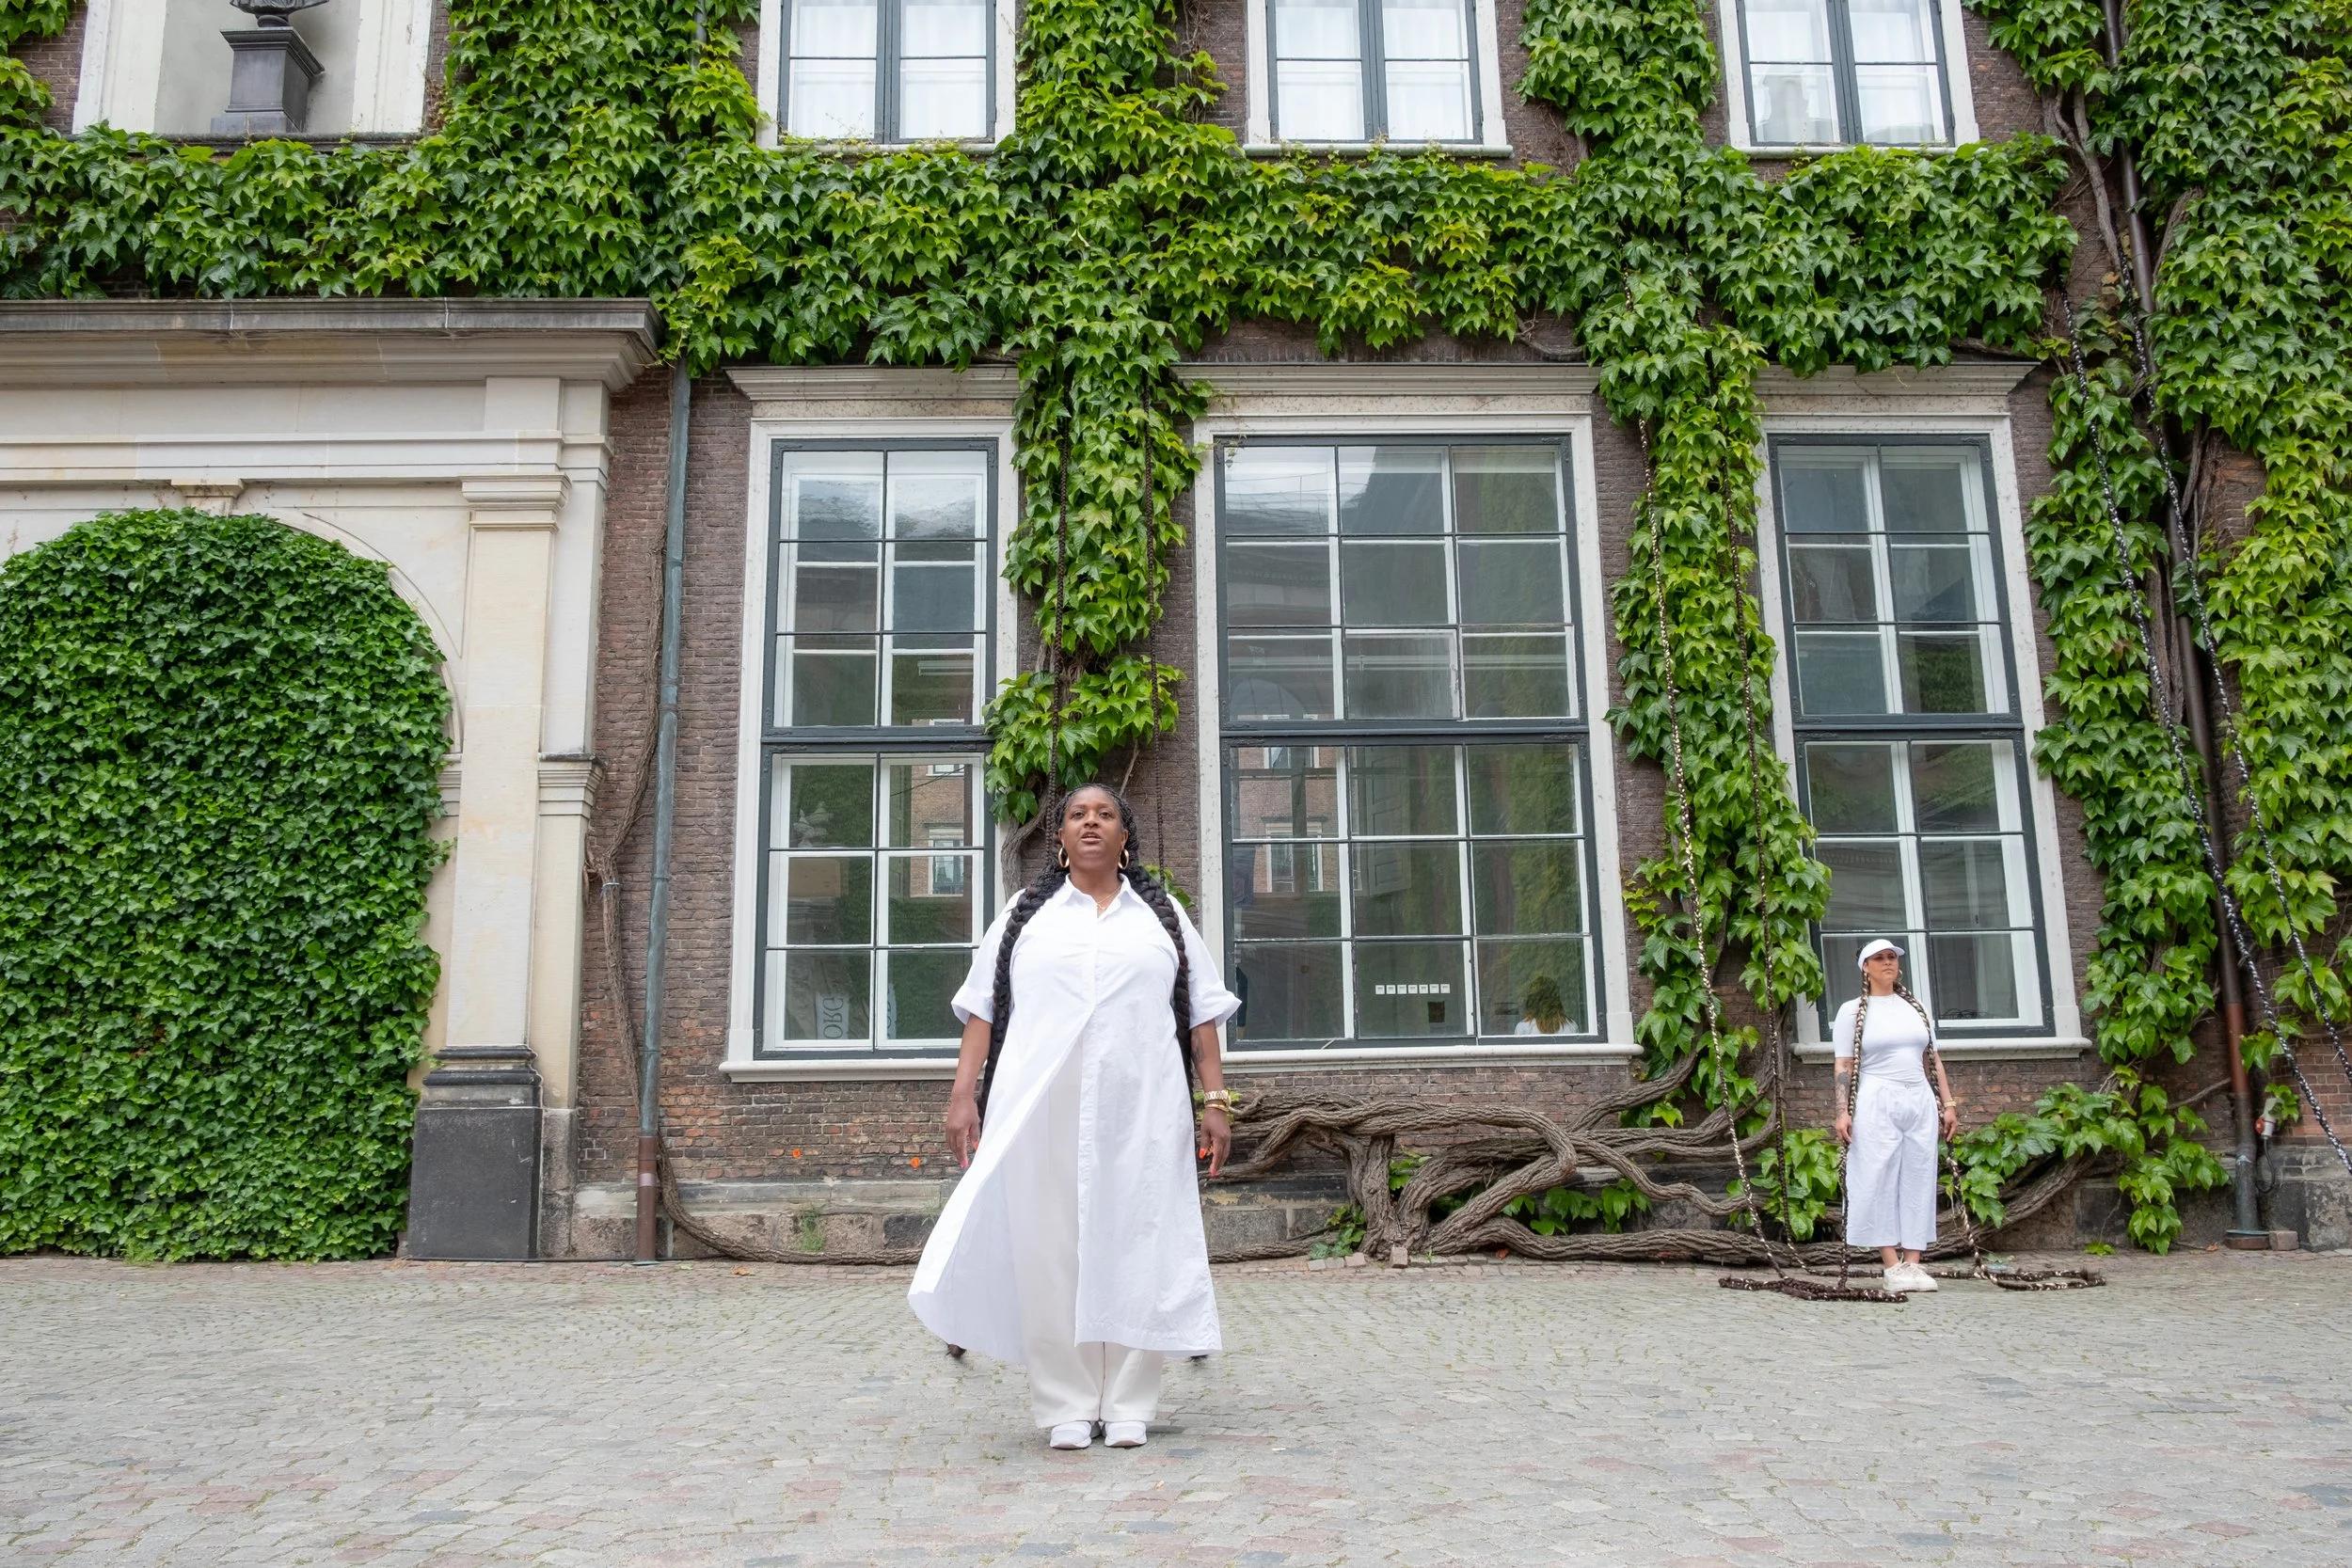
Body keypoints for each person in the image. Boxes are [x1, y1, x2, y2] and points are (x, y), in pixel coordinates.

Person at [909, 783, 1241, 1451]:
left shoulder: (1162, 917)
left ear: (1125, 835)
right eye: (1077, 814)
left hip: (1142, 1109)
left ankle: (1128, 1403)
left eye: (1105, 814)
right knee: (1048, 1248)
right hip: (1039, 1109)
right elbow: (982, 1010)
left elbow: (1201, 1015)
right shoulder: (1024, 917)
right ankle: (1064, 1401)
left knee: (1138, 1241)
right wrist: (962, 1094)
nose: (1091, 822)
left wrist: (1216, 1102)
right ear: (1058, 837)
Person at [1831, 939, 1959, 1293]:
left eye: (1892, 957)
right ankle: (1891, 1264)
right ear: (1865, 967)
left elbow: (1933, 1059)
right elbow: (1843, 1064)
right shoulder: (1852, 1011)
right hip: (1877, 1096)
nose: (1888, 962)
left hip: (1918, 1096)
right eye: (1879, 958)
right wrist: (1842, 1111)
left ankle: (1913, 1263)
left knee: (1919, 1173)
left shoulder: (1915, 1008)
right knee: (1875, 1175)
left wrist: (1947, 1103)